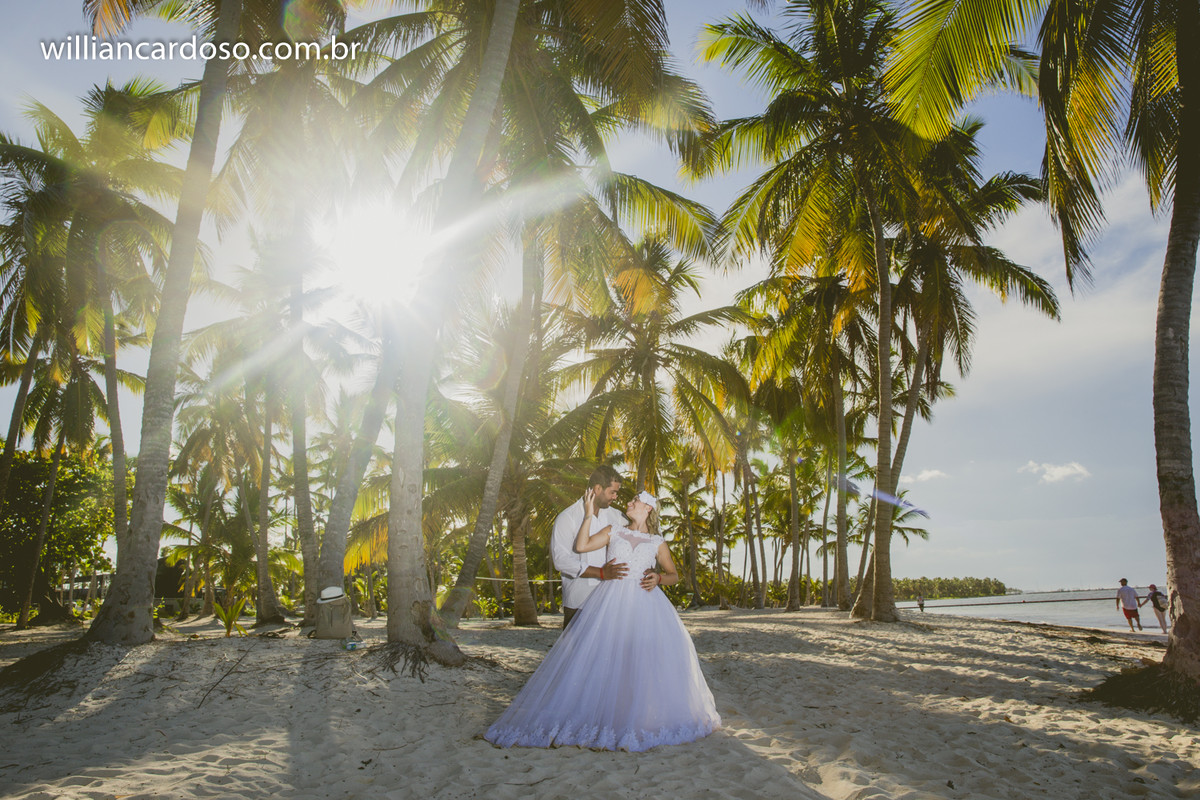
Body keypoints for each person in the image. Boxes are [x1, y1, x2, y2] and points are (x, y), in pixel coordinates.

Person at [484, 490, 721, 752]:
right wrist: (588, 515)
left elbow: (674, 574)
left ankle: (635, 716)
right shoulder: (614, 530)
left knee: (638, 660)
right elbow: (581, 546)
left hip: (646, 607)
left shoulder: (657, 542)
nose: (629, 502)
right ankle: (604, 716)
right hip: (610, 602)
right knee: (604, 657)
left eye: (635, 501)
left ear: (648, 509)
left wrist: (659, 579)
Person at [549, 465, 636, 628]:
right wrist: (601, 572)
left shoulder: (616, 516)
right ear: (597, 489)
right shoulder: (567, 518)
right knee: (574, 651)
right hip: (579, 601)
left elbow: (638, 535)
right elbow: (560, 560)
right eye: (613, 492)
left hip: (610, 600)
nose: (616, 497)